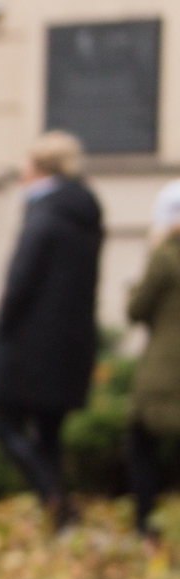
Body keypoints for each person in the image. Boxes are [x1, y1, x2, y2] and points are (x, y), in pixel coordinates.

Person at [0, 130, 104, 530]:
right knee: (49, 432)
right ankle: (60, 514)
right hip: (70, 342)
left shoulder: (44, 213)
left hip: (29, 344)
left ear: (39, 168)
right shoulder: (84, 212)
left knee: (4, 425)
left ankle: (54, 499)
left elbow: (21, 279)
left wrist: (1, 324)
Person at [126, 180, 180, 538]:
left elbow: (136, 309)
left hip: (167, 368)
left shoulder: (165, 257)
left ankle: (145, 525)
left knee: (139, 439)